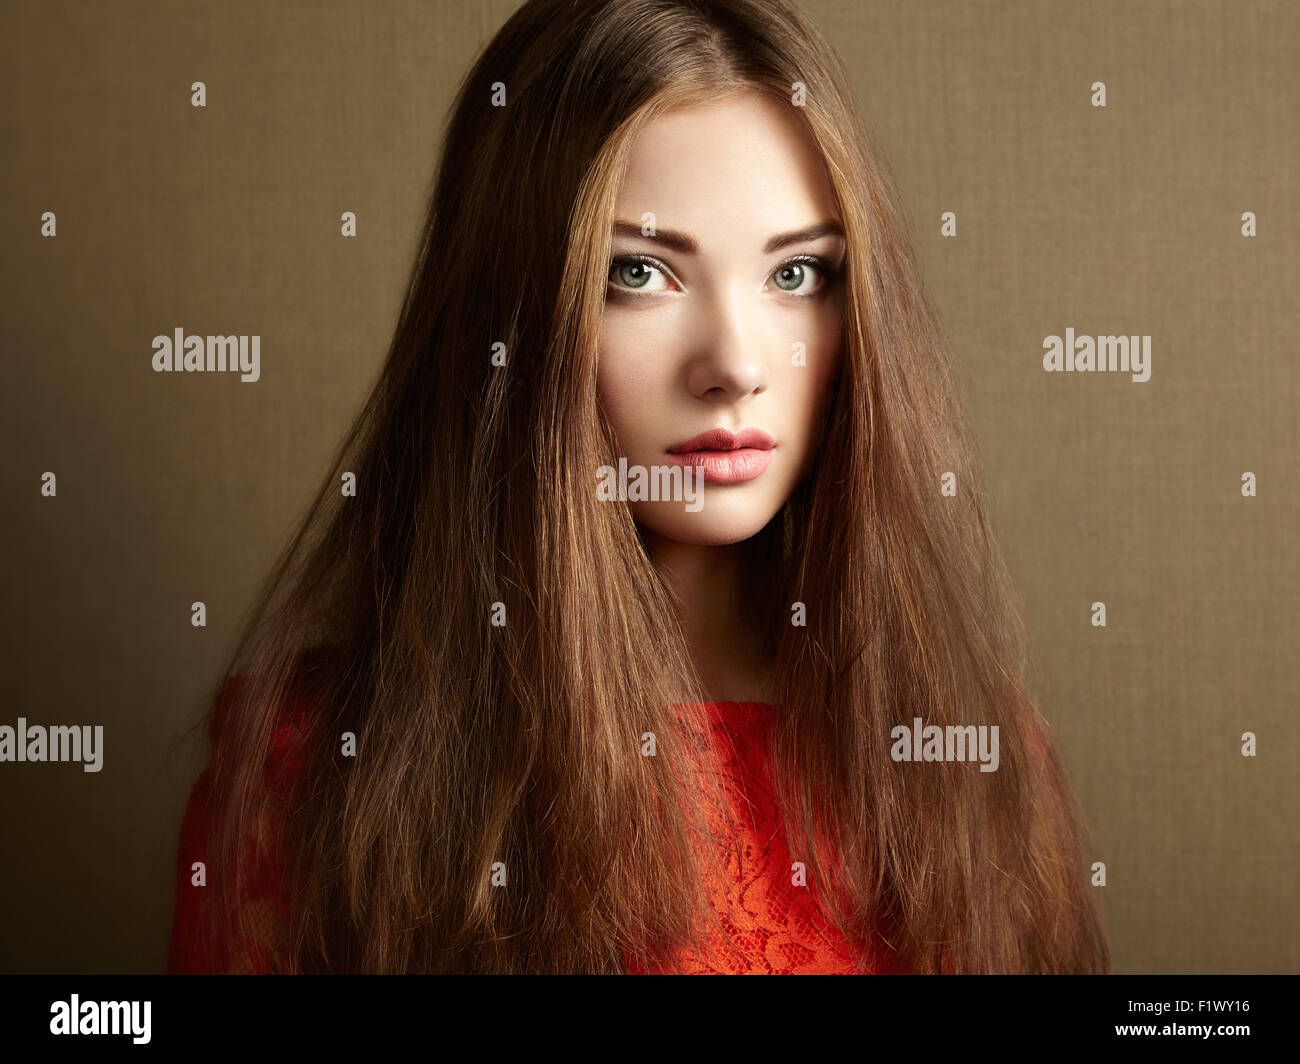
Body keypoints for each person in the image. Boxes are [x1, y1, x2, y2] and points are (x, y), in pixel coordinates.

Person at [168, 0, 1110, 975]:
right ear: (516, 316)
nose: (736, 364)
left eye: (796, 275)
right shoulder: (315, 776)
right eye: (639, 272)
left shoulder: (965, 759)